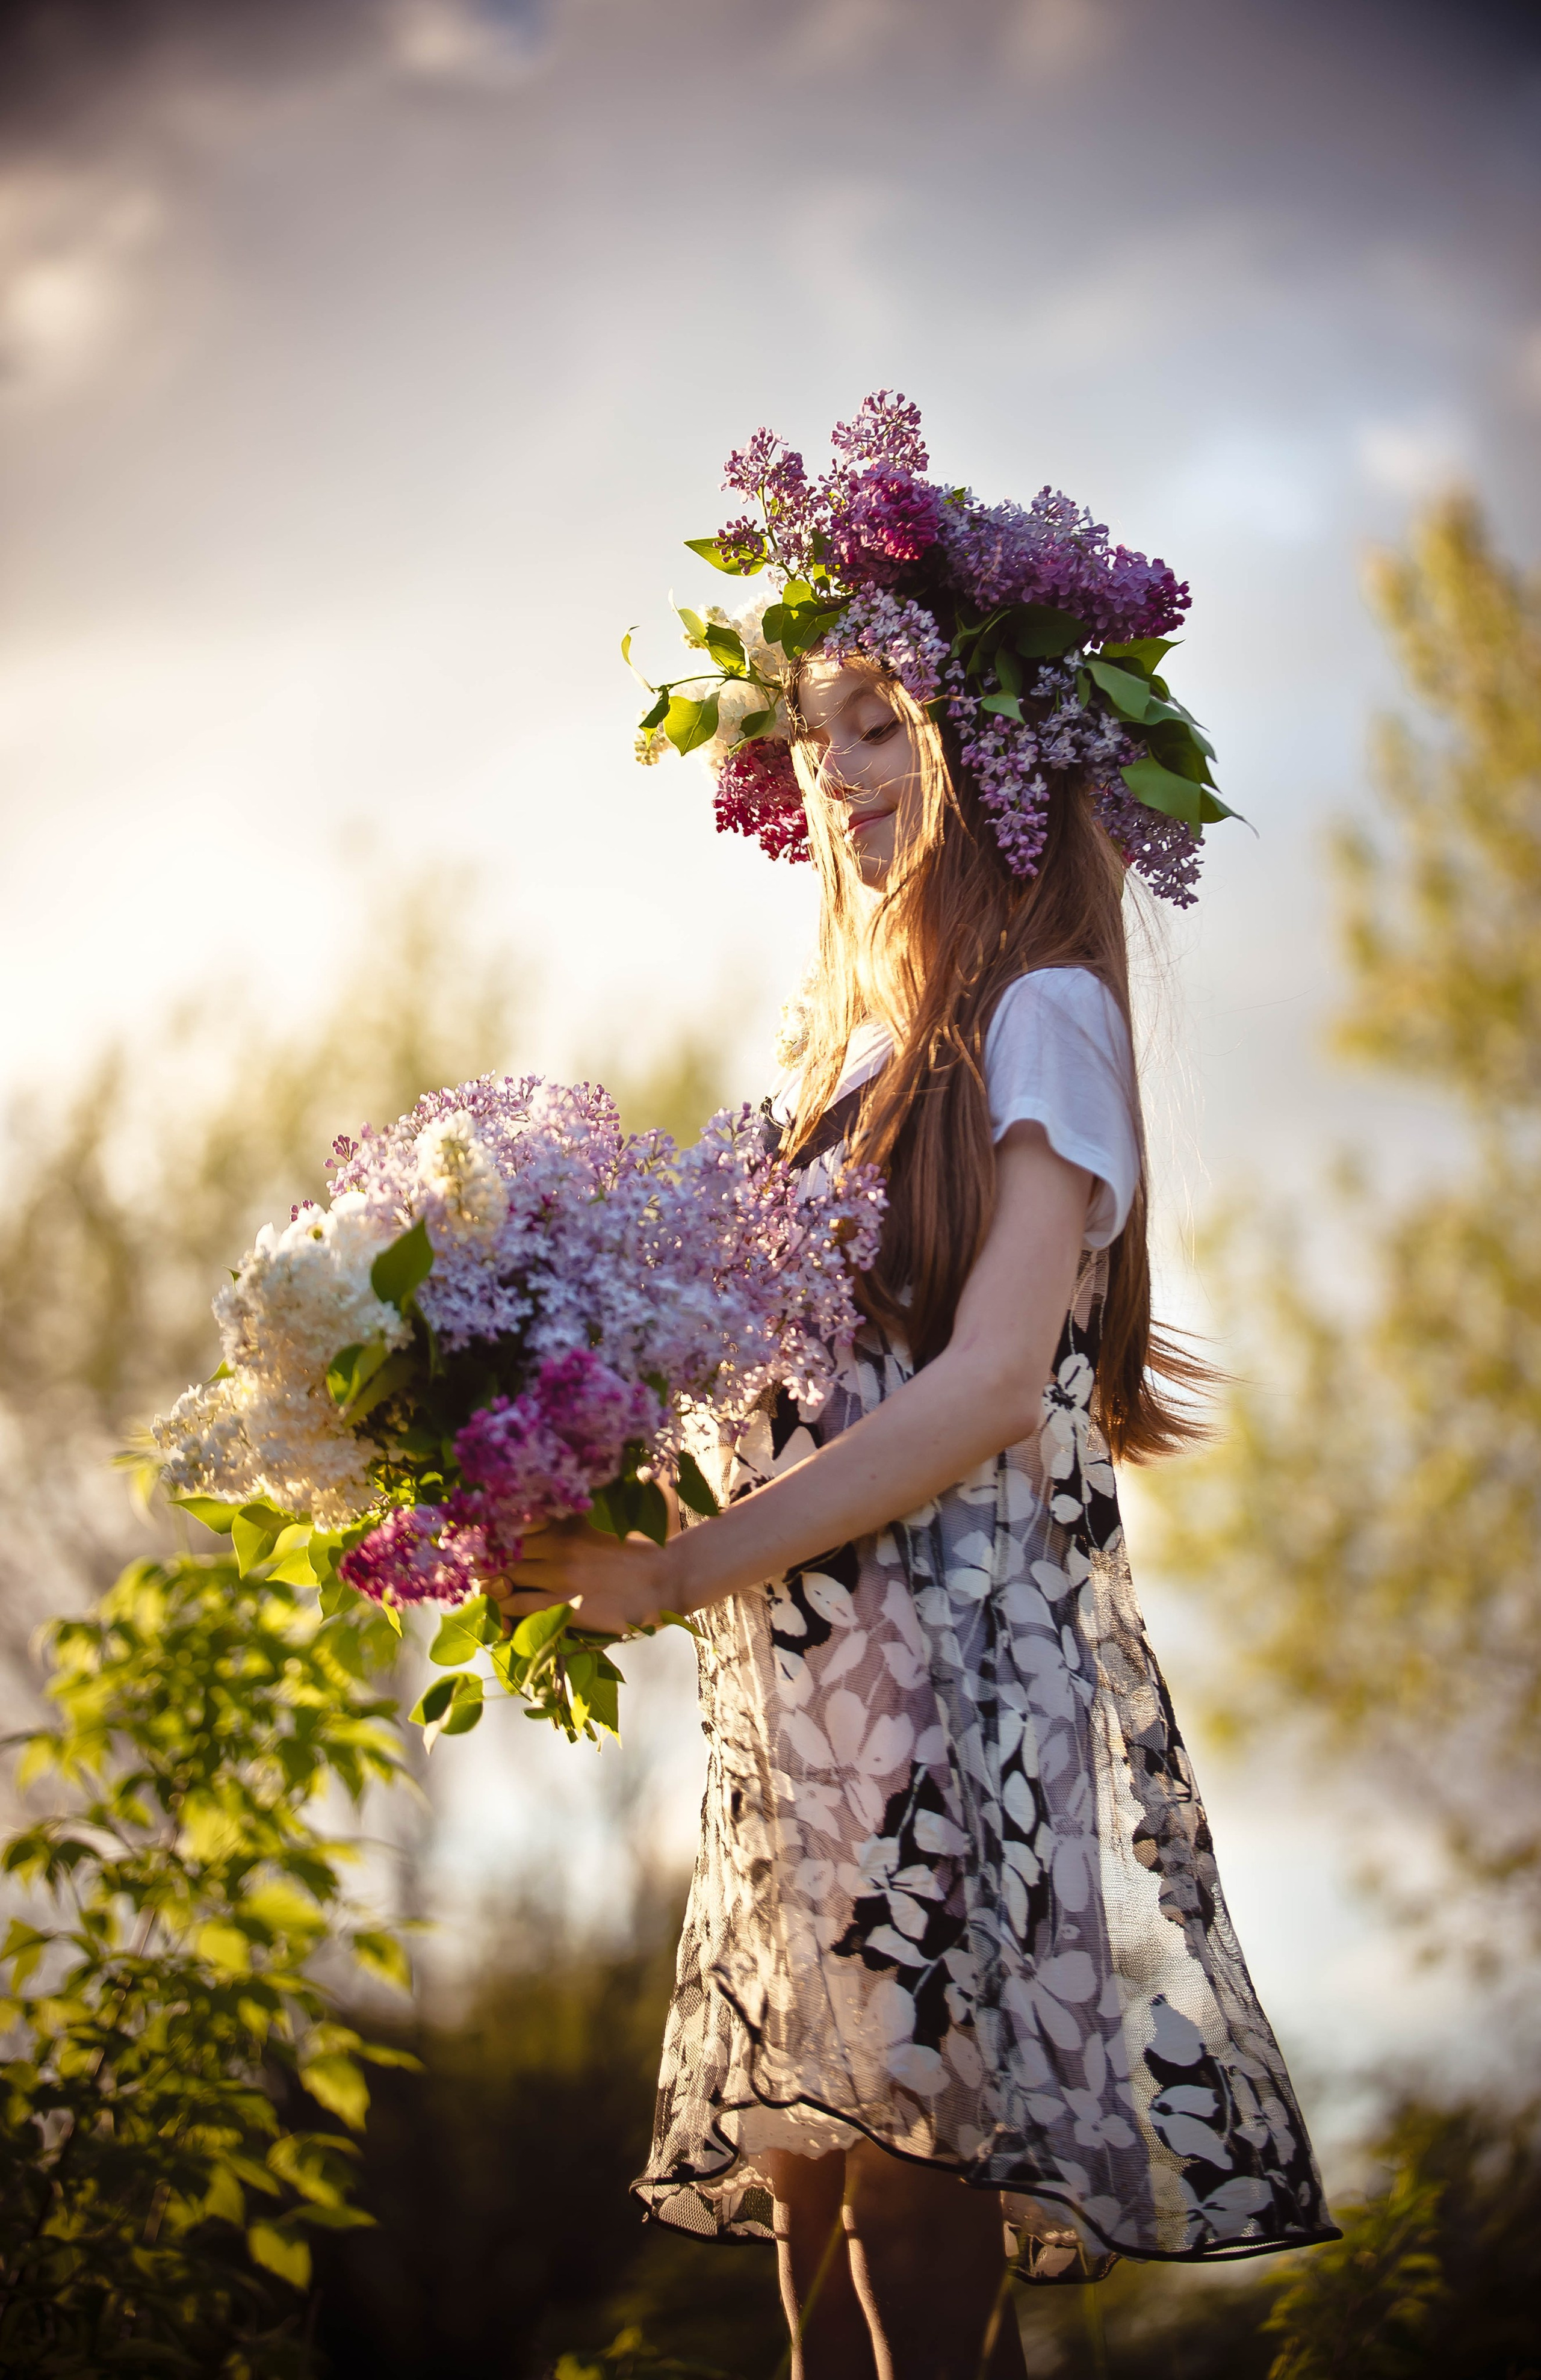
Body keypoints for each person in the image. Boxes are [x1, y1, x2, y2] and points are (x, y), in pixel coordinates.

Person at [495, 399, 1336, 2380]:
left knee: (905, 2190)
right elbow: (759, 1367)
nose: (844, 768)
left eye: (887, 719)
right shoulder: (836, 1054)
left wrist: (682, 1567)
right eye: (822, 730)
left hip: (951, 1677)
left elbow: (974, 1390)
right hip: (807, 1688)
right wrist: (525, 1401)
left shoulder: (1040, 1020)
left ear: (998, 746)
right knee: (807, 2189)